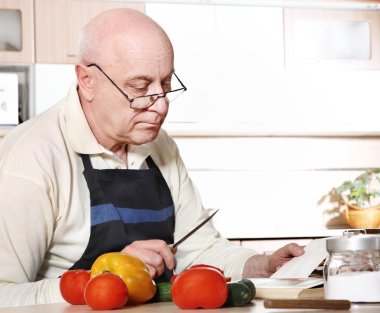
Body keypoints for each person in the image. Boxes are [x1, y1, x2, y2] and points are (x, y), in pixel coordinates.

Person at [0, 8, 304, 306]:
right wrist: (106, 278)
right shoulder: (31, 158)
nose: (161, 106)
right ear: (86, 80)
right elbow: (5, 293)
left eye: (167, 84)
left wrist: (265, 266)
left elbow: (200, 251)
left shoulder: (160, 146)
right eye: (140, 87)